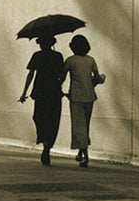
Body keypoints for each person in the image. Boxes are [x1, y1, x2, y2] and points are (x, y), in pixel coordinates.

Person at [18, 35, 64, 165]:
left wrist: (24, 92)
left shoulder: (37, 56)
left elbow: (31, 74)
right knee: (53, 119)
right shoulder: (58, 56)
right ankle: (47, 145)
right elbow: (62, 74)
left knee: (39, 117)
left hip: (40, 91)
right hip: (54, 91)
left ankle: (44, 141)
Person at [63, 34, 103, 167]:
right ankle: (81, 153)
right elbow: (96, 78)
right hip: (90, 96)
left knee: (78, 125)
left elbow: (61, 77)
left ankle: (85, 155)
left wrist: (60, 90)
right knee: (85, 125)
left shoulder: (70, 61)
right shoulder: (91, 60)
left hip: (76, 96)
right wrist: (101, 78)